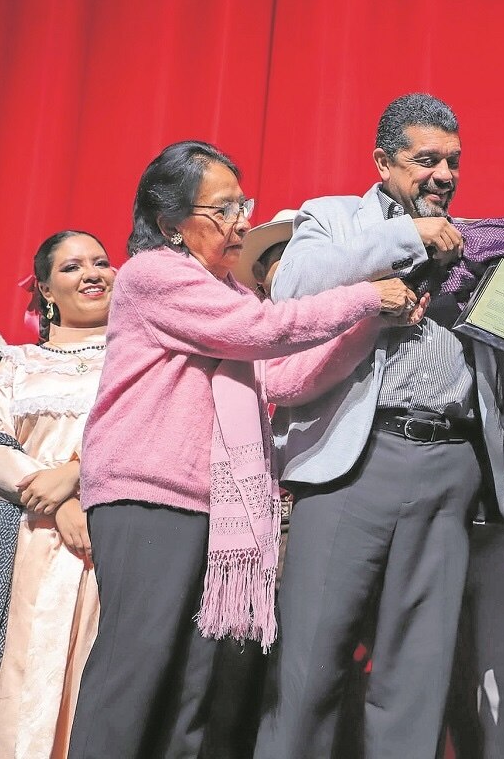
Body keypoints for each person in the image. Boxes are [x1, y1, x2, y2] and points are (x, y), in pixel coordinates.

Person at [67, 140, 423, 759]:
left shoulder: (231, 292)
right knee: (138, 666)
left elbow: (280, 378)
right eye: (223, 210)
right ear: (168, 224)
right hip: (150, 496)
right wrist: (366, 297)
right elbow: (258, 335)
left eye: (242, 205)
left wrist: (370, 325)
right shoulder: (156, 276)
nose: (241, 224)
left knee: (195, 687)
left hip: (216, 508)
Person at [256, 93, 504, 759]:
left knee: (415, 677)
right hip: (355, 464)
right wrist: (407, 238)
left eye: (453, 161)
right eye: (426, 160)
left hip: (452, 469)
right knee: (311, 665)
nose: (443, 176)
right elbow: (294, 285)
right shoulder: (336, 217)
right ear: (383, 162)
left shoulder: (480, 239)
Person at [0, 231, 113, 757]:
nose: (92, 273)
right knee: (25, 679)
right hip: (30, 537)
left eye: (101, 262)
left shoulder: (143, 359)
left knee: (101, 683)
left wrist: (80, 475)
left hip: (113, 534)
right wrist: (59, 500)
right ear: (45, 288)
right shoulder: (15, 364)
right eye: (72, 268)